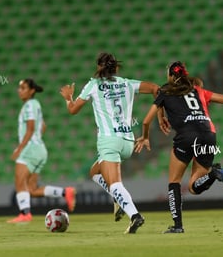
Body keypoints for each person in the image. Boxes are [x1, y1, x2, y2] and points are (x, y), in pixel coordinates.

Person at [135, 61, 223, 233]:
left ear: (171, 75)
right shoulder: (198, 91)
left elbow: (146, 120)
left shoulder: (165, 91)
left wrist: (145, 137)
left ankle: (178, 226)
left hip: (186, 137)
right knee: (194, 186)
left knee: (174, 182)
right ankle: (213, 174)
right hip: (209, 135)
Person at [60, 52, 159, 233]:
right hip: (128, 142)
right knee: (94, 172)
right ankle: (118, 199)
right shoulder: (126, 83)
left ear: (98, 67)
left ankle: (135, 215)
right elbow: (155, 88)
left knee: (115, 183)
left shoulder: (93, 85)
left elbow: (73, 110)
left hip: (109, 141)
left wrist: (68, 98)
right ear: (116, 68)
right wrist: (160, 115)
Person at [7, 78, 76, 223]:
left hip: (30, 149)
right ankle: (65, 192)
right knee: (31, 189)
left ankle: (24, 214)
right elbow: (42, 126)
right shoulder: (35, 105)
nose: (20, 91)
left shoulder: (29, 105)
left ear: (32, 91)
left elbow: (31, 128)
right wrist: (36, 140)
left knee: (20, 183)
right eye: (19, 88)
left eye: (23, 88)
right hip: (39, 149)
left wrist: (20, 148)